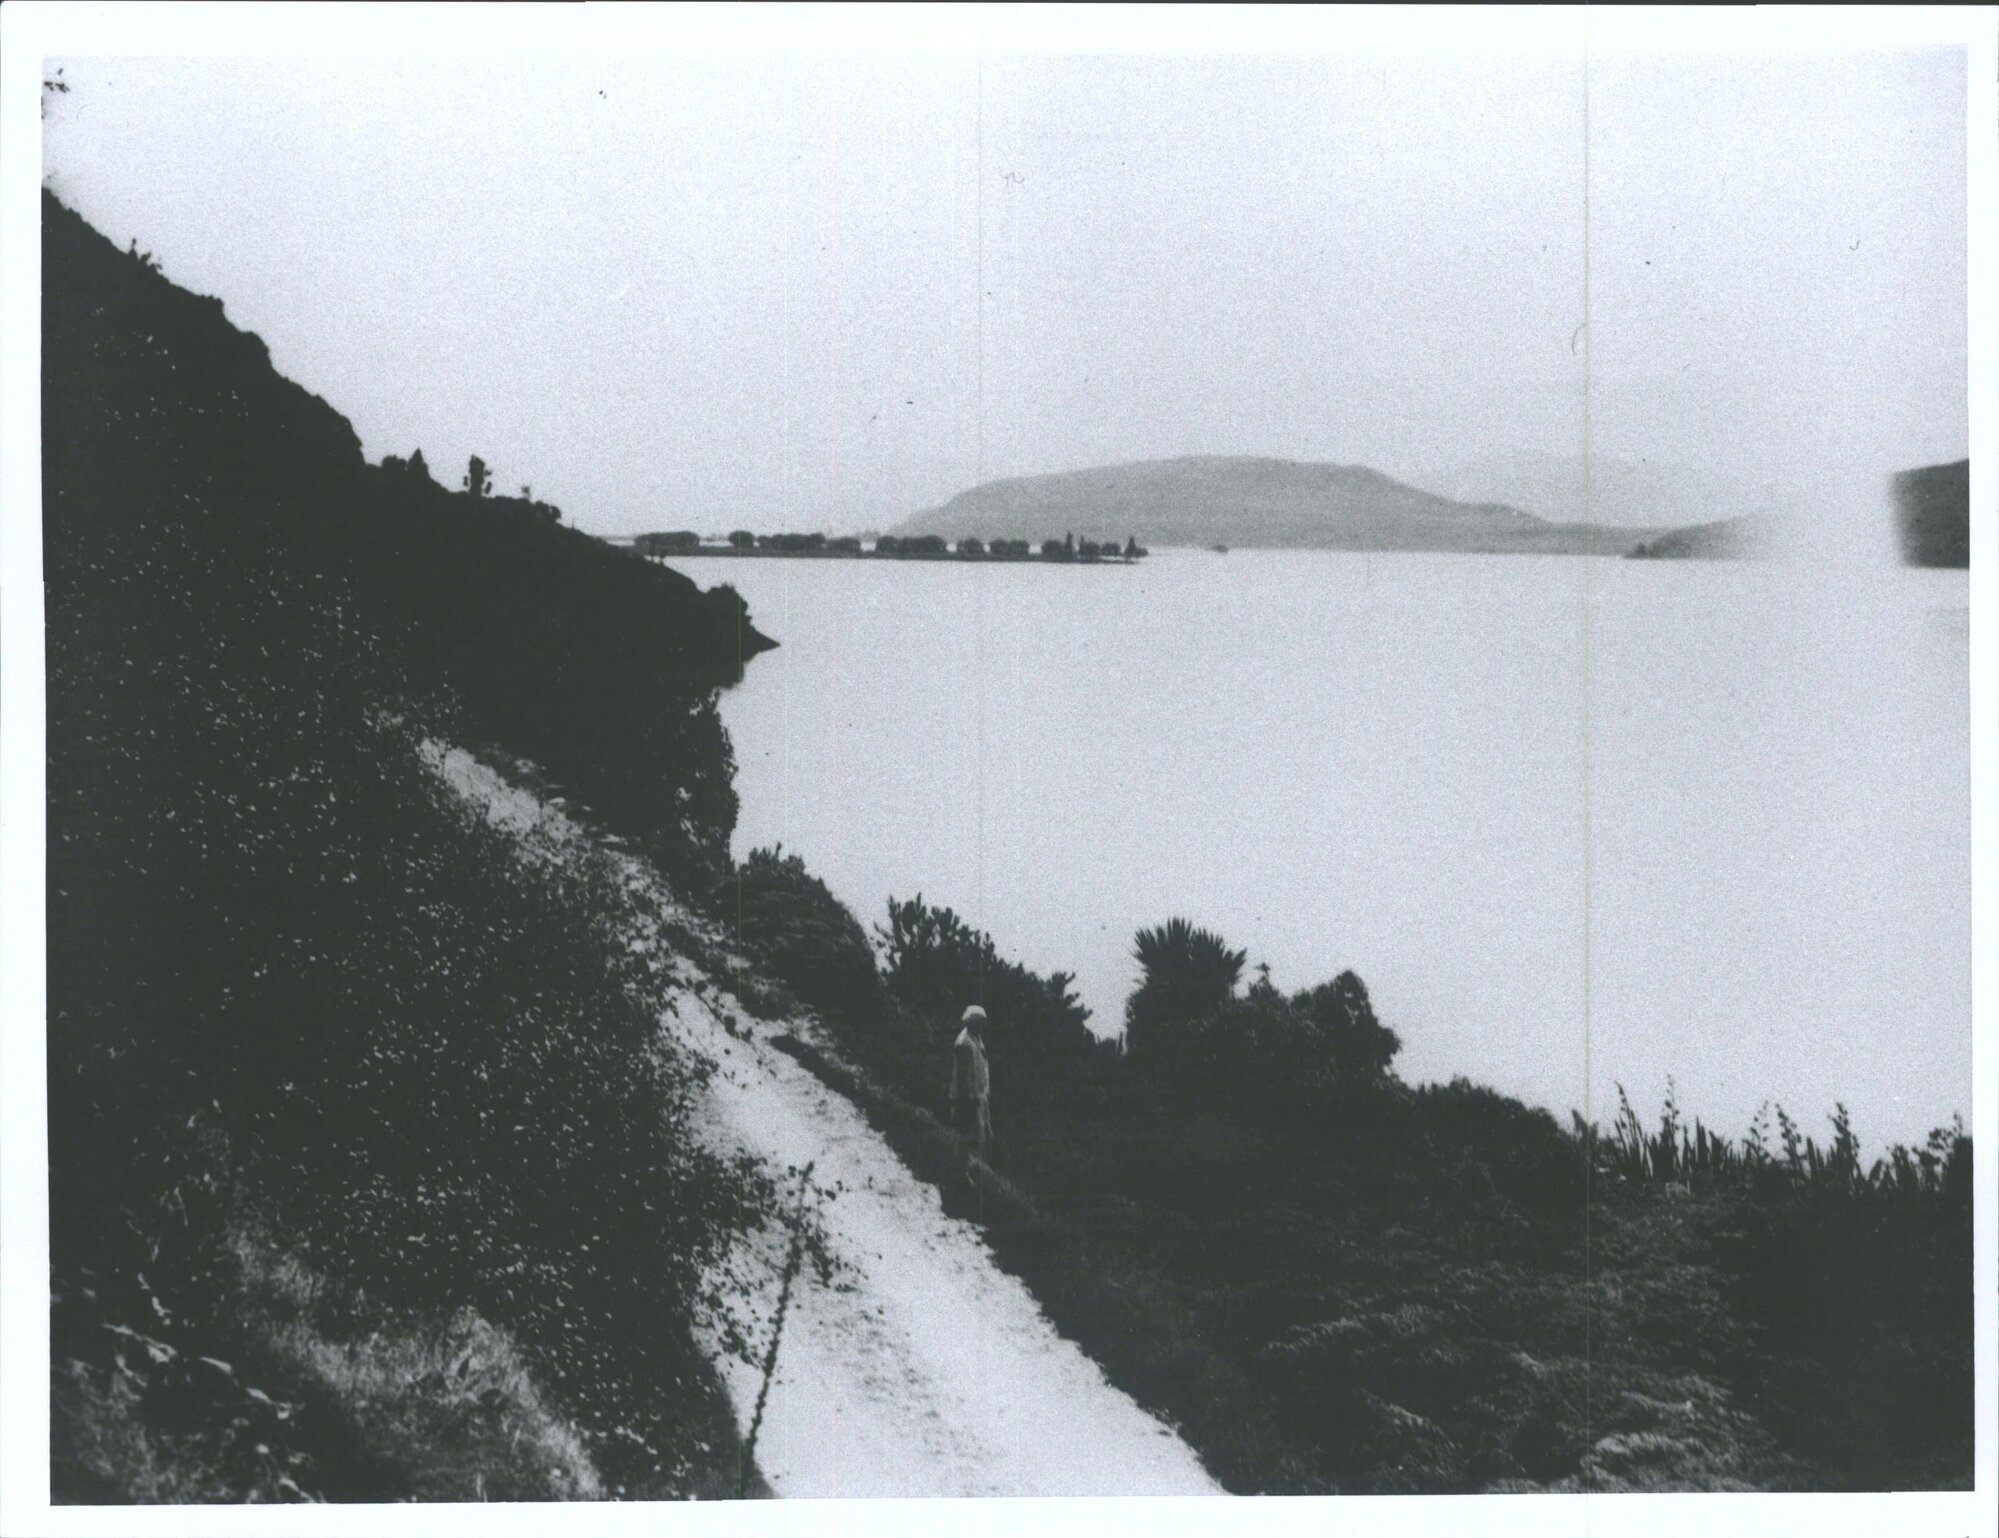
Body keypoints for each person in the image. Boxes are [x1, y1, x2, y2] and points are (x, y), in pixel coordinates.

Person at [949, 1005, 993, 1179]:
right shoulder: (964, 1043)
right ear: (971, 1022)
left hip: (978, 1096)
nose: (983, 1026)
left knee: (976, 1135)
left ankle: (965, 1170)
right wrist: (967, 1099)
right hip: (966, 1098)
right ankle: (958, 1172)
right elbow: (962, 1075)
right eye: (980, 1022)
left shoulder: (976, 1038)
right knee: (964, 1135)